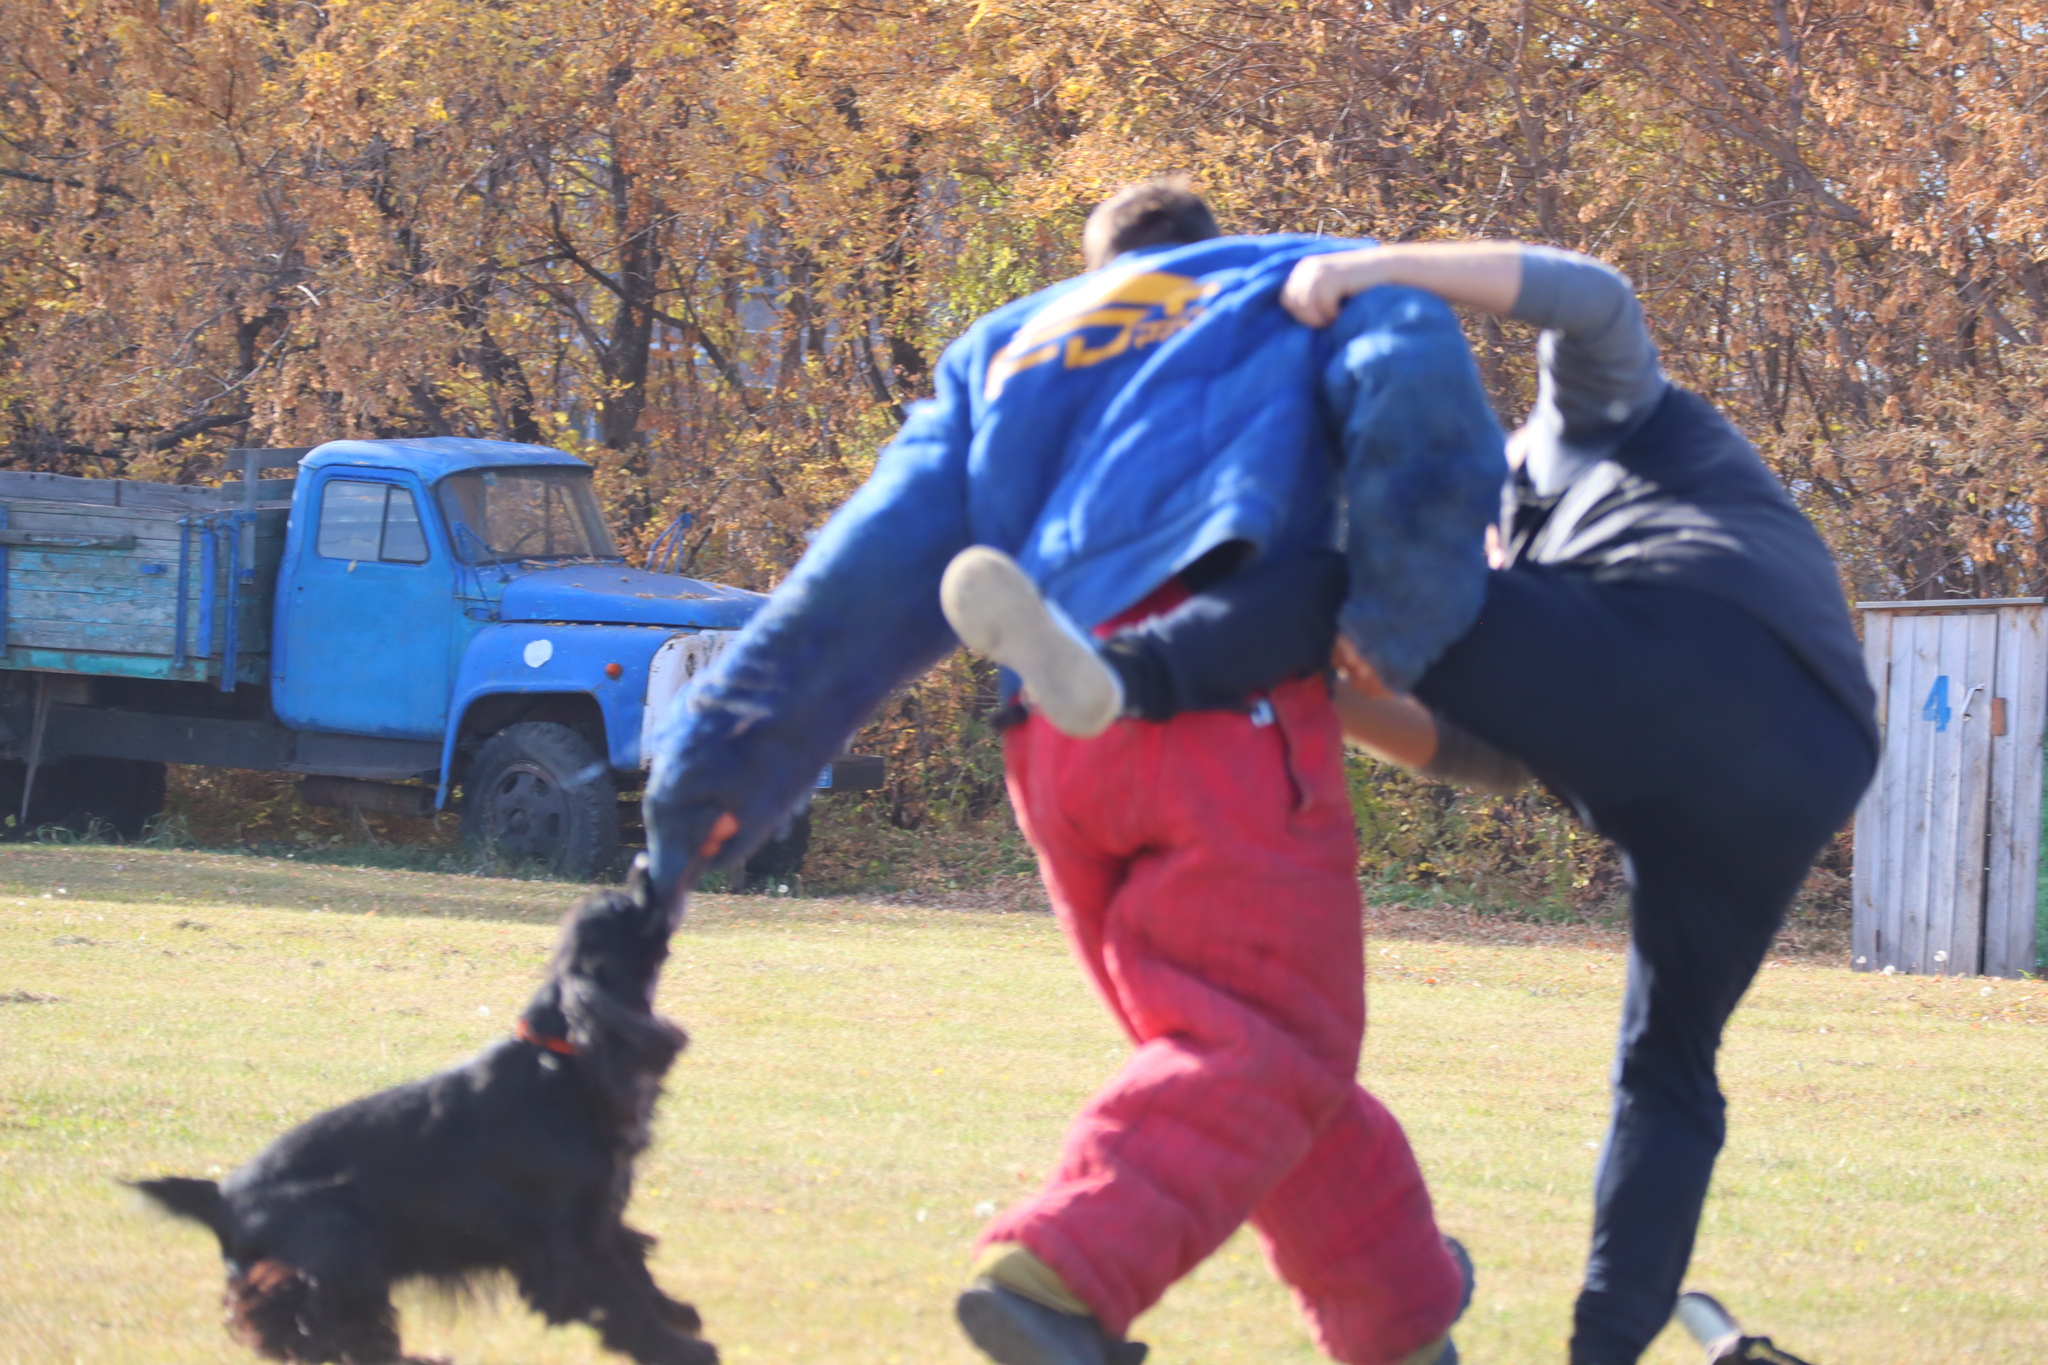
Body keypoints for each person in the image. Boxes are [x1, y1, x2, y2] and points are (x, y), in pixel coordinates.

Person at [948, 240, 1879, 1365]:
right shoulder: (1512, 599)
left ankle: (1129, 677)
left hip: (1709, 644)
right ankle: (1601, 1349)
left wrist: (1374, 269)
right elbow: (1485, 757)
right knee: (1665, 1074)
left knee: (1353, 587)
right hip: (1790, 774)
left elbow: (1593, 302)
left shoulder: (1590, 426)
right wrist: (1312, 680)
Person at [641, 182, 1507, 1365]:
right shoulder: (1299, 271)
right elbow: (1412, 392)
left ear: (1095, 267)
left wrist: (716, 768)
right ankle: (1059, 1275)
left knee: (1241, 1059)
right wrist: (1406, 622)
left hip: (1050, 735)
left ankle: (1399, 1322)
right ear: (1209, 245)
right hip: (1217, 699)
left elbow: (858, 573)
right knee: (1265, 1046)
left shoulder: (1003, 346)